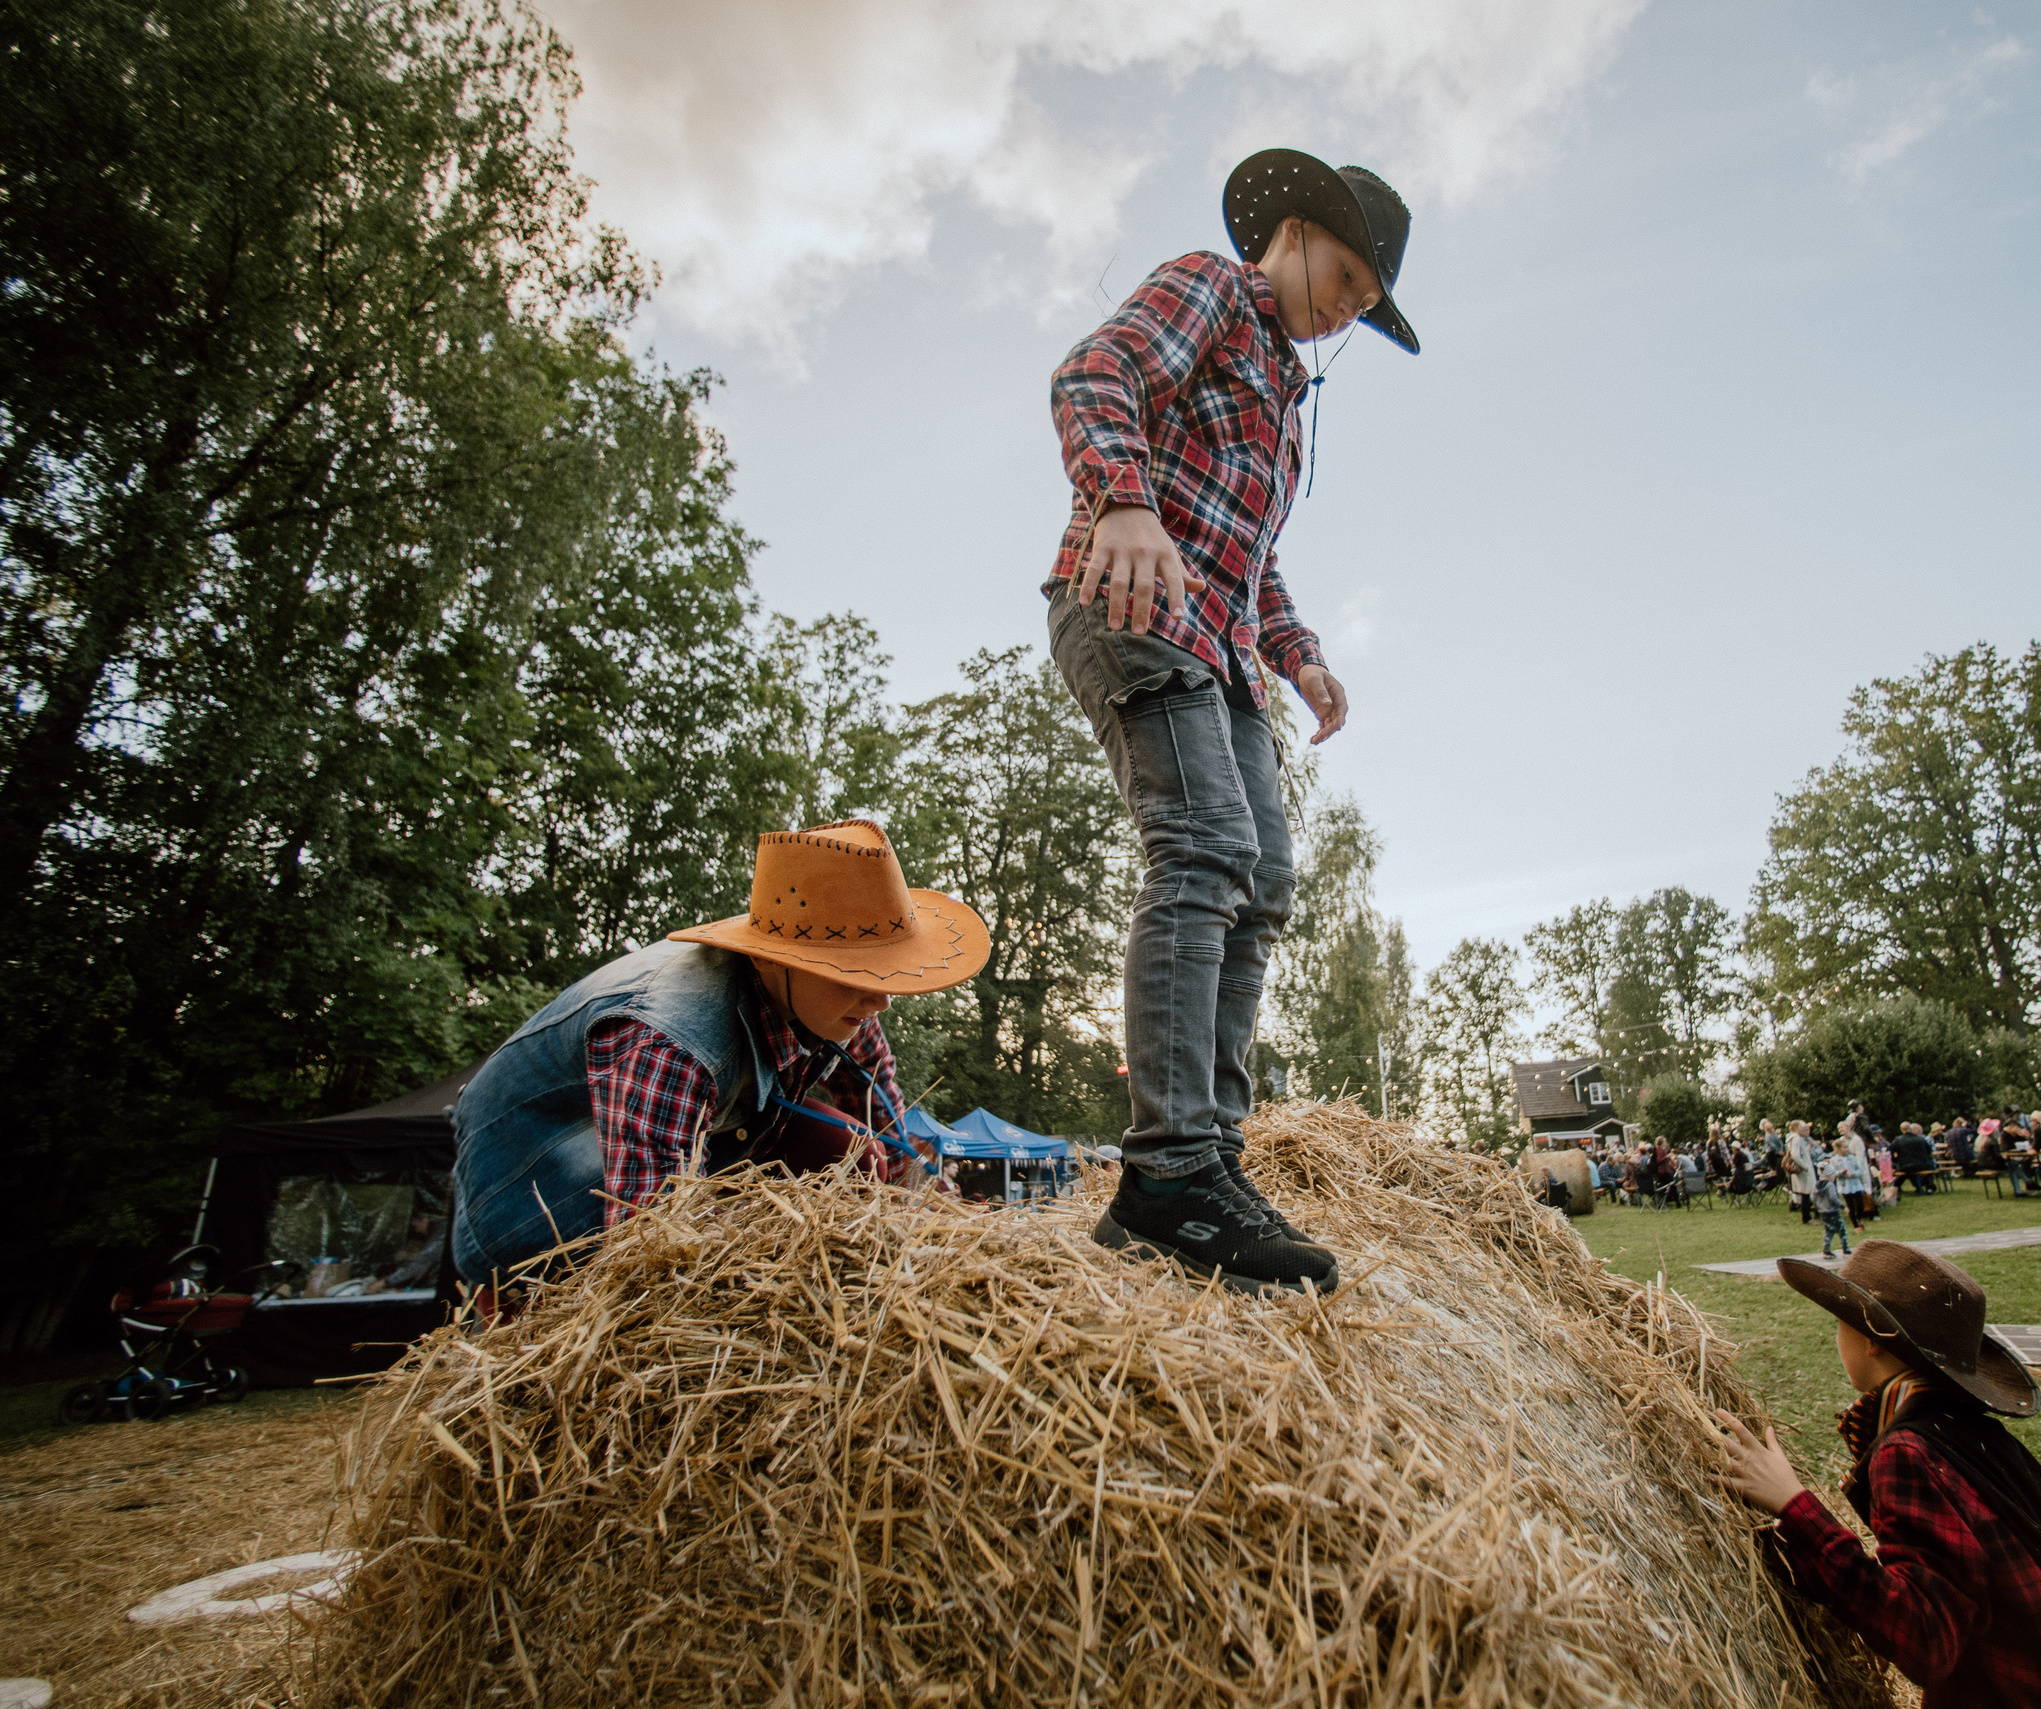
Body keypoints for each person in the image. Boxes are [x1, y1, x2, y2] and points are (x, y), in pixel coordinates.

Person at [1044, 149, 1416, 1294]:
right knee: (1200, 847)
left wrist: (1299, 657)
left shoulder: (1291, 404)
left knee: (1263, 880)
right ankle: (1165, 1171)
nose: (1346, 307)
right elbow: (1093, 374)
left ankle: (1208, 1157)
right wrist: (1121, 498)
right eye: (1345, 276)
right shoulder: (1212, 285)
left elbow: (1253, 557)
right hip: (1131, 604)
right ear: (1294, 233)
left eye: (1364, 299)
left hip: (1221, 647)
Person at [449, 820, 990, 1289]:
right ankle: (515, 1302)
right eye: (857, 973)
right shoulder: (669, 1041)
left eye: (888, 970)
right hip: (536, 1197)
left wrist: (946, 1217)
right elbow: (650, 1247)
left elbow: (887, 1125)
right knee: (609, 1265)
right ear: (775, 961)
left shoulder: (846, 1009)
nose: (883, 999)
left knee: (855, 1152)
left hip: (701, 1150)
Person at [1706, 1243, 2041, 1708]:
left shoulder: (1907, 1453)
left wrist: (1795, 1506)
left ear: (1872, 1337)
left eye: (1840, 1323)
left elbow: (1925, 1639)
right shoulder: (1967, 1429)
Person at [1813, 1142, 1854, 1259]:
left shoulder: (1817, 1185)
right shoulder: (1830, 1185)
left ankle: (1826, 1250)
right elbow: (1833, 1198)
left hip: (1823, 1211)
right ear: (1830, 1176)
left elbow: (1813, 1198)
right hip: (1832, 1211)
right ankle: (1845, 1249)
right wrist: (1843, 1206)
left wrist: (1818, 1206)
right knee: (1841, 1230)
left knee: (1829, 1231)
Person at [1835, 1122, 1874, 1232]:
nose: (1840, 1130)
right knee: (1852, 1201)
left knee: (1865, 1192)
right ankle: (1856, 1222)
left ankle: (1871, 1213)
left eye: (1842, 1128)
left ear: (1849, 1127)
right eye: (1839, 1129)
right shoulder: (1842, 1140)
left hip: (1857, 1170)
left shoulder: (1856, 1140)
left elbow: (1860, 1157)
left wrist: (1856, 1172)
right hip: (1846, 1179)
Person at [1785, 1120, 1821, 1226]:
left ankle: (1809, 1216)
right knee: (1806, 1193)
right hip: (1803, 1170)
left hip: (1800, 1170)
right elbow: (1796, 1155)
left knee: (1805, 1193)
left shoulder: (1792, 1138)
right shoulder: (1796, 1138)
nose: (1805, 1129)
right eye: (1802, 1127)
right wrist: (1805, 1167)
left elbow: (1801, 1152)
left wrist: (1808, 1148)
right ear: (1796, 1128)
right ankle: (1807, 1218)